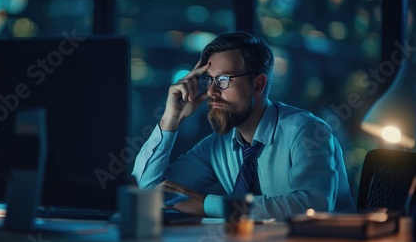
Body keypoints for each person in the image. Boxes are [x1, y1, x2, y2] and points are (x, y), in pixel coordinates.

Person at [132, 31, 356, 220]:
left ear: (257, 85)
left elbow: (312, 207)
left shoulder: (307, 132)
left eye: (223, 80)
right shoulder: (216, 147)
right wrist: (171, 119)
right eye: (208, 80)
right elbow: (147, 193)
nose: (211, 92)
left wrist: (208, 205)